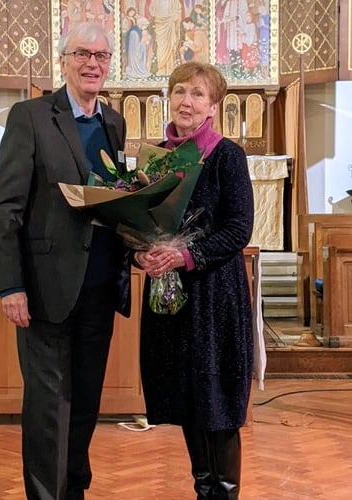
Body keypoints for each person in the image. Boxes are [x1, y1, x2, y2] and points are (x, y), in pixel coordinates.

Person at [0, 22, 131, 500]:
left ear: (111, 65)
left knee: (86, 403)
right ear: (64, 60)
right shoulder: (30, 116)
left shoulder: (114, 123)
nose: (93, 63)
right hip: (46, 289)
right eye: (83, 54)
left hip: (98, 287)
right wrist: (10, 286)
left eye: (102, 56)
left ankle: (75, 493)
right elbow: (6, 208)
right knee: (49, 407)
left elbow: (114, 201)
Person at [134, 61, 254, 499]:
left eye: (198, 94)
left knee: (216, 405)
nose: (187, 101)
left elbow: (239, 229)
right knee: (186, 398)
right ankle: (203, 488)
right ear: (169, 97)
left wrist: (185, 255)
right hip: (171, 298)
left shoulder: (226, 155)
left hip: (214, 298)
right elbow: (136, 223)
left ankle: (223, 493)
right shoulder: (155, 160)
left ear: (213, 106)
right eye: (180, 91)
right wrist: (141, 250)